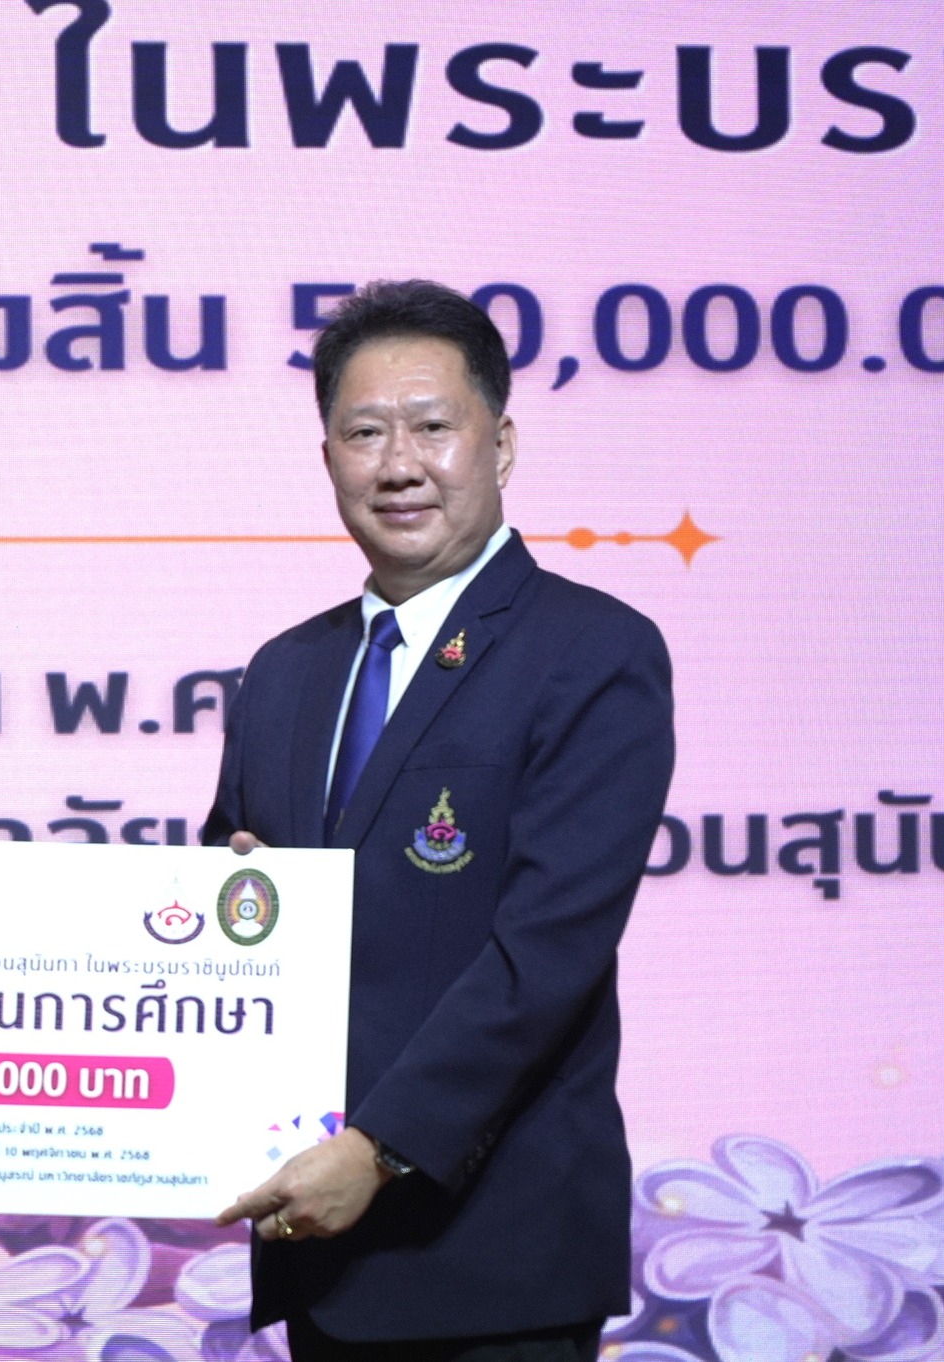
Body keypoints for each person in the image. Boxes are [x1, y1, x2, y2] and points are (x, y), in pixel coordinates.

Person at [203, 280, 674, 1360]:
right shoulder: (286, 672)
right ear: (327, 455)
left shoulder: (590, 652)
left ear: (499, 444)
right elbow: (218, 911)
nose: (398, 464)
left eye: (430, 427)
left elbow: (545, 954)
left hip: (492, 1257)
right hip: (319, 1251)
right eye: (364, 432)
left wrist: (376, 1149)